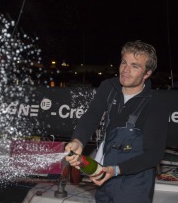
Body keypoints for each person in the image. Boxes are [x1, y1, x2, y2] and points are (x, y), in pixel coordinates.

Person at [65, 40, 169, 203]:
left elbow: (154, 155)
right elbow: (92, 115)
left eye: (135, 66)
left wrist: (117, 170)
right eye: (124, 63)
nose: (126, 70)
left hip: (135, 183)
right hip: (105, 176)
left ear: (147, 73)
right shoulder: (108, 87)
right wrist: (78, 140)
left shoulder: (155, 104)